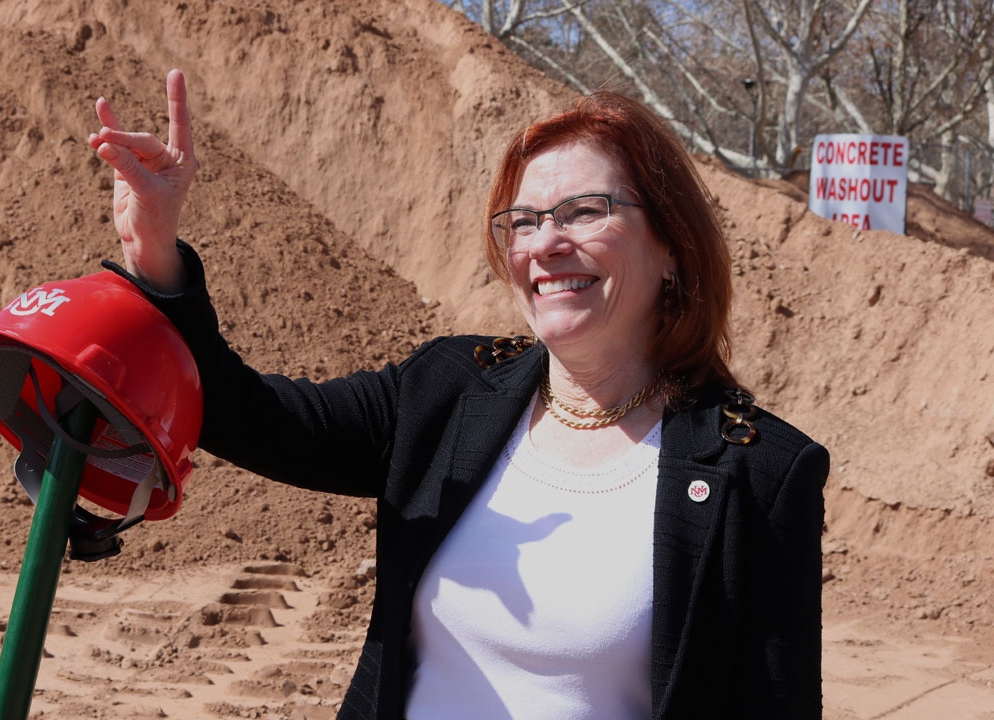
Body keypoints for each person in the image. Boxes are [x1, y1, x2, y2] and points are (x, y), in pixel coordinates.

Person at [88, 69, 829, 719]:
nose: (544, 245)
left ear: (670, 246)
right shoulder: (446, 389)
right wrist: (156, 252)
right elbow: (257, 420)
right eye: (525, 221)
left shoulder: (758, 473)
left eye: (584, 211)